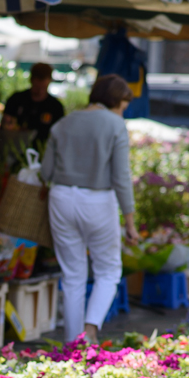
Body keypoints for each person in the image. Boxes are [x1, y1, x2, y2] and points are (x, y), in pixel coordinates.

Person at [41, 74, 140, 344]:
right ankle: (91, 327)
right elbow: (121, 176)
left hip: (61, 198)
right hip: (98, 201)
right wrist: (130, 222)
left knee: (72, 274)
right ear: (114, 101)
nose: (123, 112)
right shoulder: (114, 125)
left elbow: (46, 171)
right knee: (108, 270)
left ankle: (74, 344)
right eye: (123, 105)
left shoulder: (63, 124)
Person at [2, 63, 64, 143]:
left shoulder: (55, 106)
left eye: (43, 88)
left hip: (45, 151)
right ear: (31, 80)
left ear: (49, 82)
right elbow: (5, 126)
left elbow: (60, 134)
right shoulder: (16, 100)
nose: (40, 91)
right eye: (37, 87)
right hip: (16, 149)